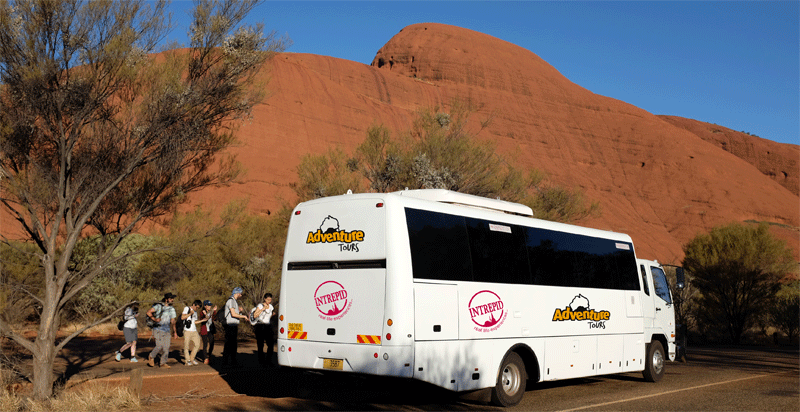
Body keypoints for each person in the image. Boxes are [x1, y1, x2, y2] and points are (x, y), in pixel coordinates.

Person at [146, 293, 178, 368]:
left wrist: (175, 332)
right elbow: (148, 312)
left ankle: (163, 363)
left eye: (172, 298)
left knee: (166, 347)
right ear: (166, 299)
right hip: (158, 329)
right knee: (159, 346)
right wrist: (154, 319)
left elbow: (173, 321)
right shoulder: (159, 306)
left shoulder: (172, 309)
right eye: (170, 299)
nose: (172, 300)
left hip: (167, 330)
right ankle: (151, 356)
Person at [221, 287, 248, 366]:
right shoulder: (231, 301)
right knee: (230, 344)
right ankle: (228, 362)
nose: (241, 295)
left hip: (233, 325)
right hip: (231, 325)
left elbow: (233, 313)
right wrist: (243, 316)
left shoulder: (234, 301)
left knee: (232, 344)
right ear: (237, 293)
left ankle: (231, 361)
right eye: (240, 293)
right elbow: (233, 314)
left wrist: (238, 311)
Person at [251, 293, 276, 367]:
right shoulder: (260, 305)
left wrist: (272, 315)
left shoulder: (271, 306)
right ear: (264, 299)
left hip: (268, 326)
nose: (269, 301)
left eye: (270, 299)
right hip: (260, 326)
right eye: (268, 299)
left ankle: (269, 360)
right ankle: (261, 361)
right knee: (260, 344)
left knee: (271, 344)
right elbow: (255, 315)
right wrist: (262, 309)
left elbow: (269, 316)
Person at [181, 300, 203, 366]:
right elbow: (182, 317)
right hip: (187, 330)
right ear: (193, 305)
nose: (197, 309)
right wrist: (190, 313)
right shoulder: (187, 308)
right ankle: (187, 361)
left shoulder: (195, 312)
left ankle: (192, 359)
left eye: (198, 308)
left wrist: (202, 320)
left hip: (194, 330)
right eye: (197, 307)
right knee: (186, 346)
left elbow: (194, 322)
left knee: (197, 344)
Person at [198, 300, 218, 364]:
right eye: (208, 305)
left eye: (210, 305)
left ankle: (209, 355)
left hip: (210, 330)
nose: (210, 307)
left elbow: (215, 319)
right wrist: (212, 311)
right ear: (205, 306)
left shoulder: (211, 312)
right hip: (204, 330)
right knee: (205, 344)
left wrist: (214, 312)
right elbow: (206, 317)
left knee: (212, 343)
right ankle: (205, 358)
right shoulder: (202, 312)